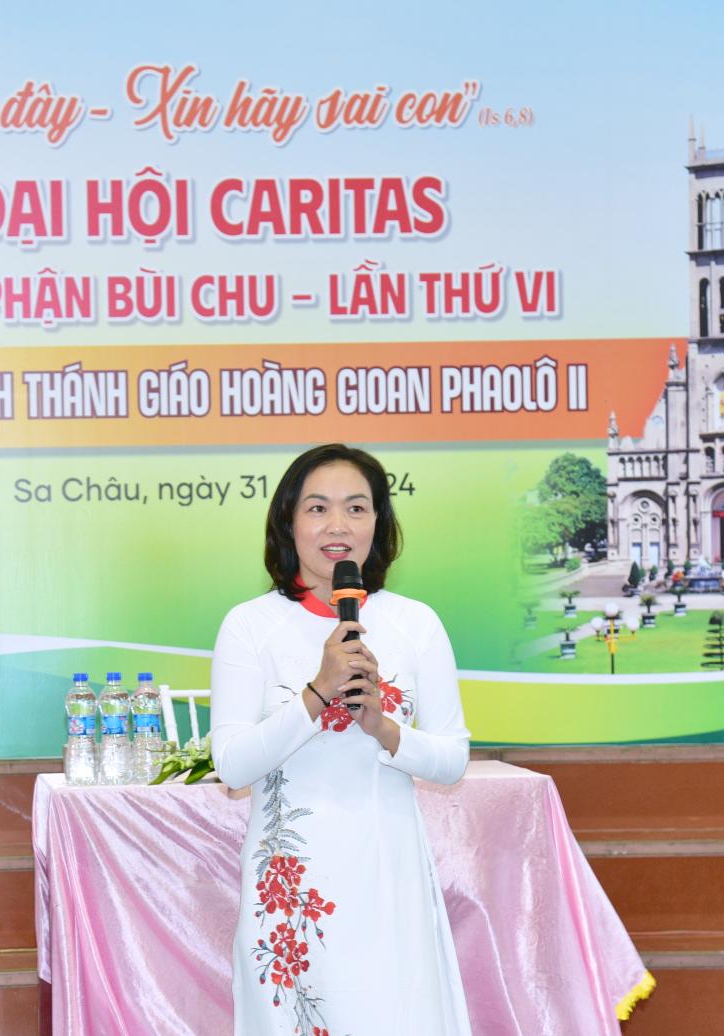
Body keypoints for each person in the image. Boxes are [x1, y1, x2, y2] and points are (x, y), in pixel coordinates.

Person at [210, 443, 472, 1036]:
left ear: (378, 522)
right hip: (292, 885)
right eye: (317, 508)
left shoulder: (415, 623)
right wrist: (318, 691)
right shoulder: (250, 625)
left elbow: (453, 759)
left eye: (356, 508)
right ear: (288, 522)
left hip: (388, 873)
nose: (337, 526)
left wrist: (382, 727)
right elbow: (232, 765)